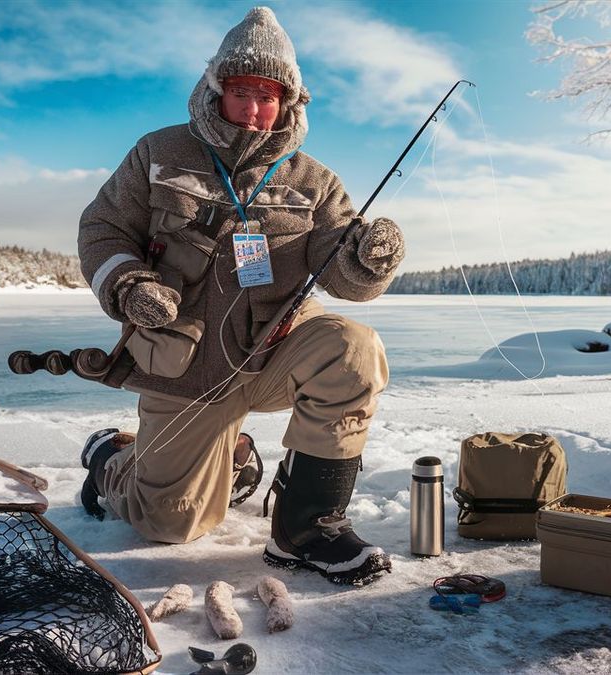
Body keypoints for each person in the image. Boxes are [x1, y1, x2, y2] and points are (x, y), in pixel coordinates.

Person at [75, 7, 405, 586]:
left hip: (275, 353)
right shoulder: (158, 153)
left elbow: (345, 278)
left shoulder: (314, 182)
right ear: (215, 90)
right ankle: (112, 456)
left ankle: (306, 527)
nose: (255, 109)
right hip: (186, 367)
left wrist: (368, 259)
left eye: (270, 95)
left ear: (290, 102)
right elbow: (101, 229)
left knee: (352, 349)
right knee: (168, 524)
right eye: (242, 91)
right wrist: (129, 285)